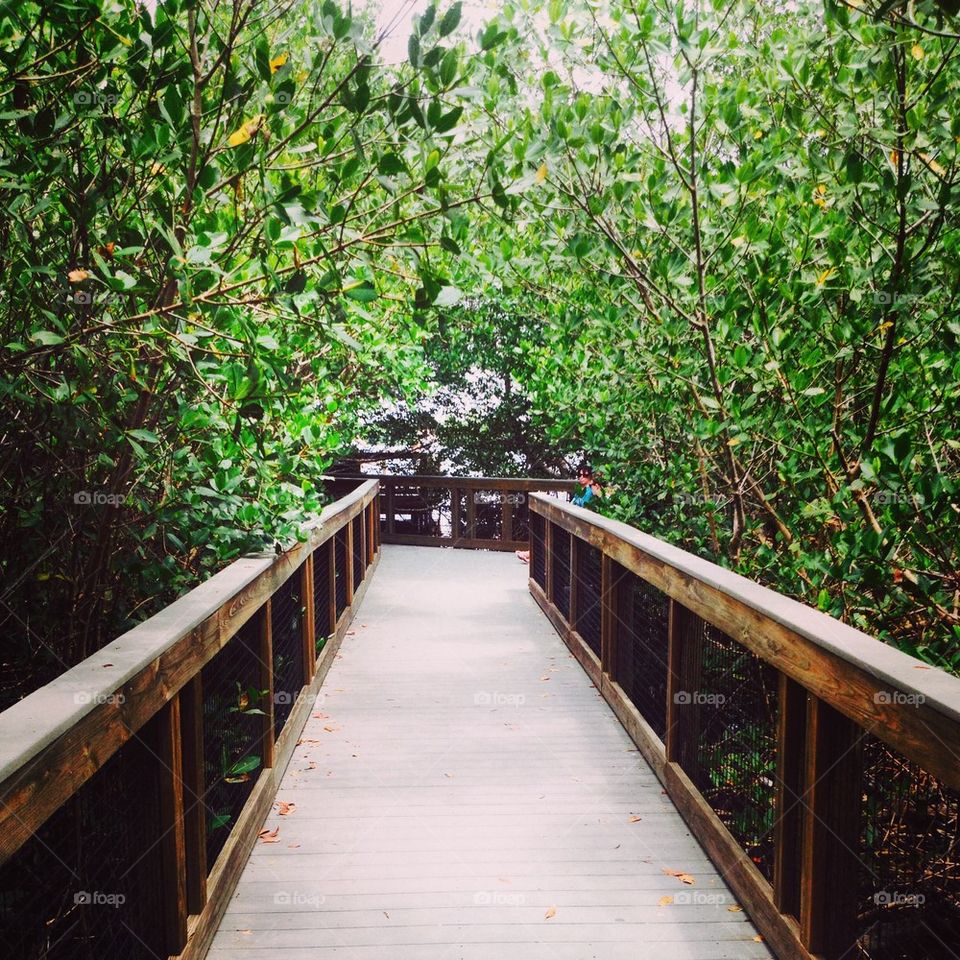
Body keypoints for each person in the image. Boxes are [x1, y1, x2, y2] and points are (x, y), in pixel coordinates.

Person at [516, 462, 603, 562]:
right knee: (548, 532)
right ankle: (532, 555)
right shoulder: (580, 491)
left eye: (585, 475)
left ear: (591, 478)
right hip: (571, 522)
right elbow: (572, 504)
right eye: (580, 474)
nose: (581, 477)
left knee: (551, 534)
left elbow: (586, 508)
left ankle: (532, 556)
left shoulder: (590, 492)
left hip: (579, 526)